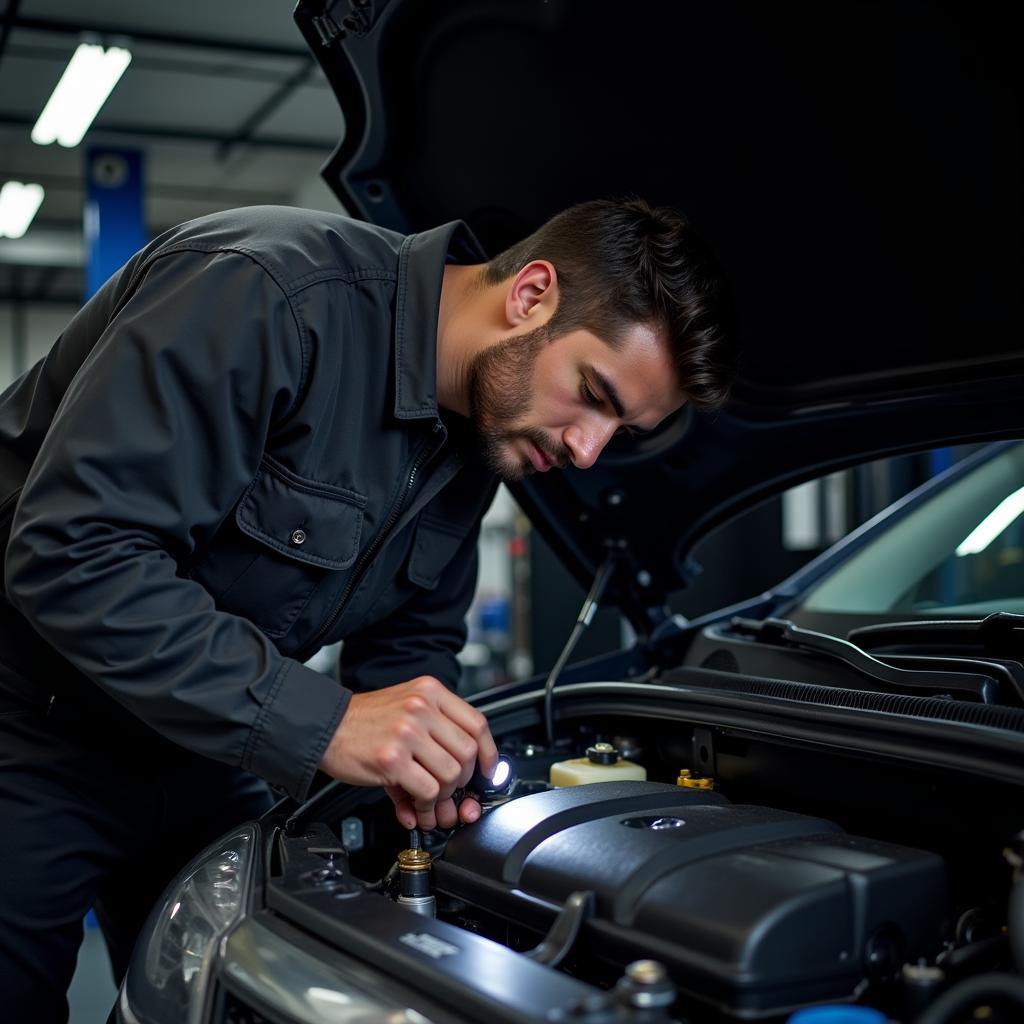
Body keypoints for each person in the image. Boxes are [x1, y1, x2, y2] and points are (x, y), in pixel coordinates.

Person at [0, 197, 733, 1018]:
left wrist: (424, 767)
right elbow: (73, 554)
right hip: (28, 721)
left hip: (202, 744)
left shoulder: (481, 433)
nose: (587, 451)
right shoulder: (266, 291)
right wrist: (327, 722)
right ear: (530, 294)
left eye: (620, 430)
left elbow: (411, 641)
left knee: (243, 991)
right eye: (593, 392)